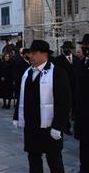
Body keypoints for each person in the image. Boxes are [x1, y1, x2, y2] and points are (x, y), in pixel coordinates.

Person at [13, 40, 71, 173]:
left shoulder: (57, 73)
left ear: (44, 54)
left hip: (49, 127)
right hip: (31, 127)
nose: (30, 56)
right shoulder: (27, 72)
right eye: (29, 53)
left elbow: (64, 102)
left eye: (33, 53)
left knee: (54, 160)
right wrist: (17, 116)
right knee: (33, 159)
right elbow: (21, 96)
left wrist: (58, 126)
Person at [54, 41, 78, 136]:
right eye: (65, 49)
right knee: (65, 108)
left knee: (75, 108)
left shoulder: (76, 59)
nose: (67, 50)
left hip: (75, 87)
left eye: (68, 48)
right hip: (64, 87)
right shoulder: (58, 60)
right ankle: (66, 127)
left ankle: (76, 128)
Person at [75, 34, 89, 173]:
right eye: (84, 47)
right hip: (82, 111)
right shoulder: (80, 63)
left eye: (86, 47)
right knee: (84, 145)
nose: (84, 49)